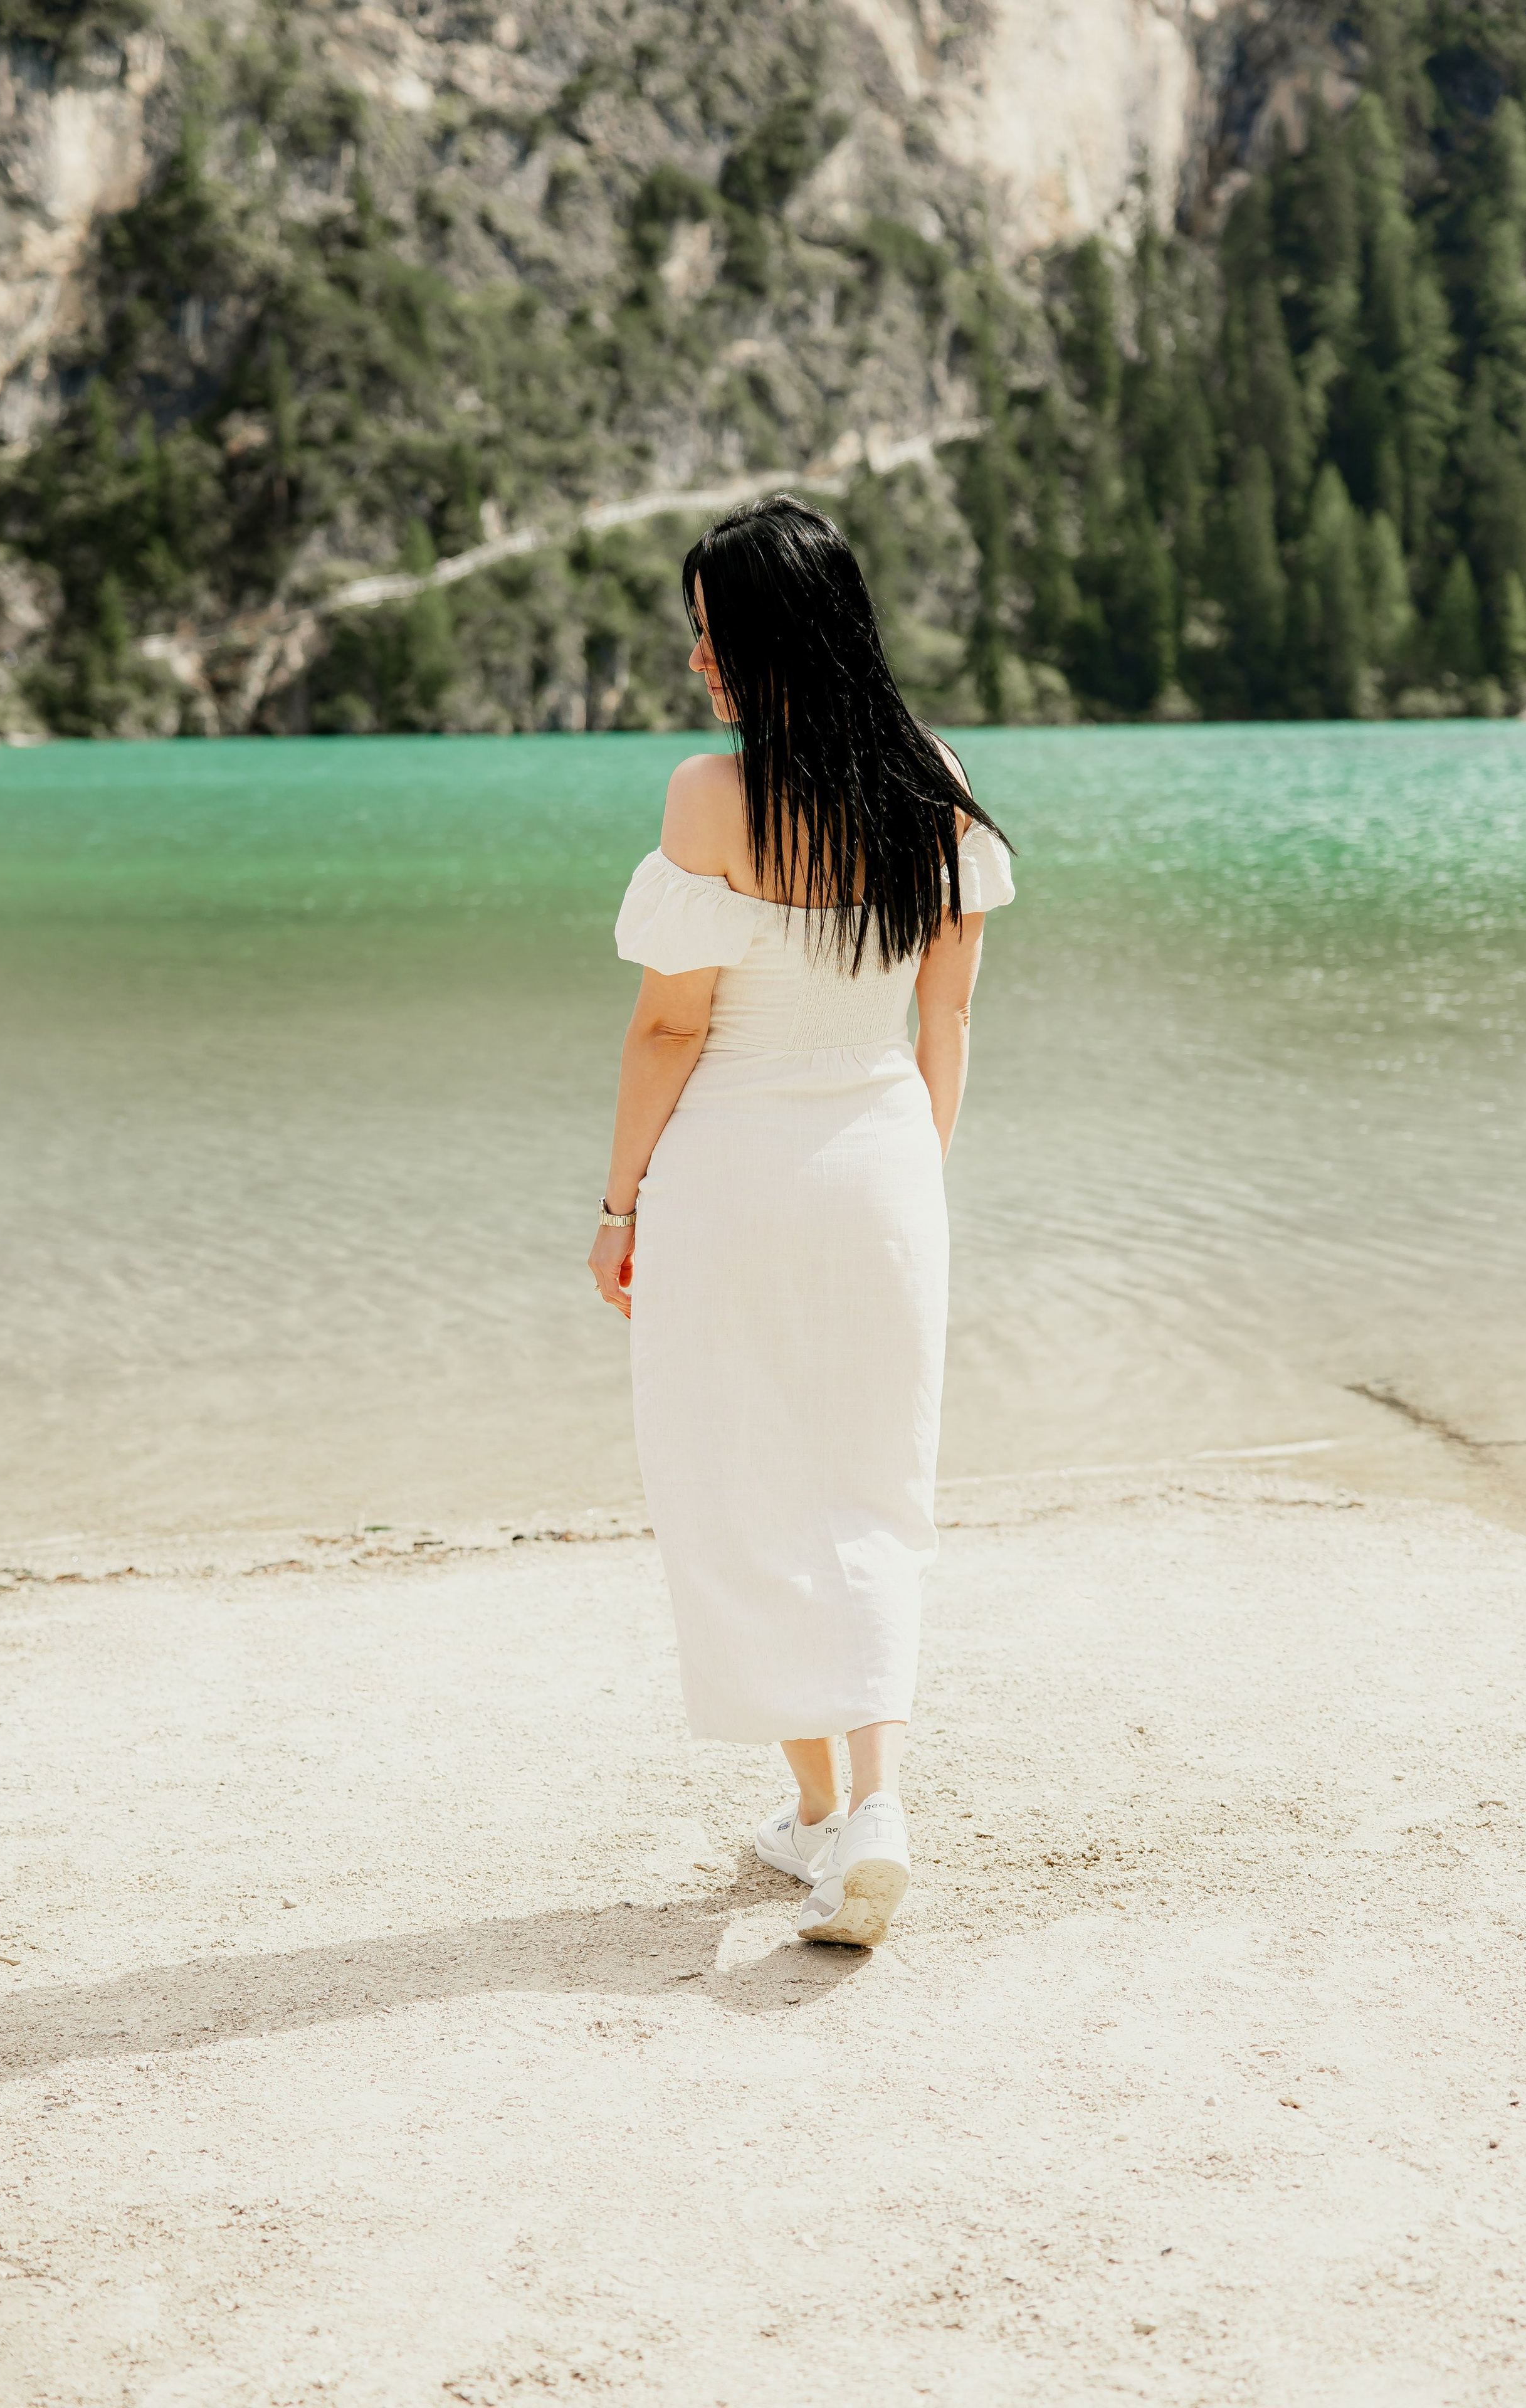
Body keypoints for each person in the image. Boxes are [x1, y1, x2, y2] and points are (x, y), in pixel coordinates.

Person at [587, 494, 1013, 1947]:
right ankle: (868, 1812)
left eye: (710, 635)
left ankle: (826, 1816)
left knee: (742, 1477)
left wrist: (614, 1202)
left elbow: (664, 1032)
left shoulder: (711, 796)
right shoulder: (937, 778)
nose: (698, 662)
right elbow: (945, 1016)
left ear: (765, 640)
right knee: (874, 1480)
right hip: (885, 1157)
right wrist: (911, 1180)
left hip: (732, 1170)